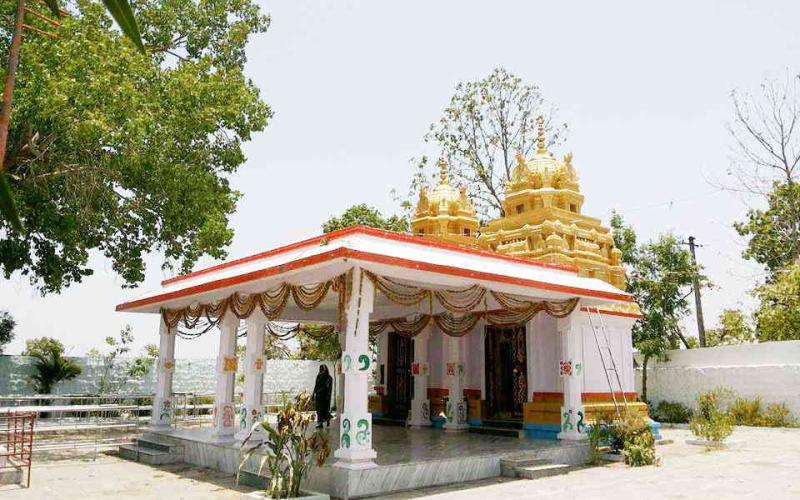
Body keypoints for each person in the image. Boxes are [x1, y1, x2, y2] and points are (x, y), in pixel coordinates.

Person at [312, 364, 333, 429]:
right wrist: (313, 394)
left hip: (325, 397)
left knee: (324, 410)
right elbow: (316, 386)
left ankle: (327, 419)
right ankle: (320, 424)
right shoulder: (318, 376)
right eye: (321, 369)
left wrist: (322, 392)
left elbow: (328, 388)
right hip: (318, 397)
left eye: (323, 369)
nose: (322, 370)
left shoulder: (329, 378)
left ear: (326, 369)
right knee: (319, 410)